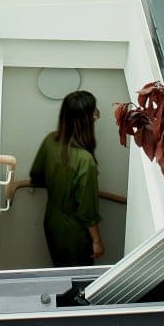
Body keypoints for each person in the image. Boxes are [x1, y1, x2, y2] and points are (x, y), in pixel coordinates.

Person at [29, 90, 104, 267]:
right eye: (94, 111)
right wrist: (97, 241)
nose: (96, 115)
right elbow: (86, 212)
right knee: (78, 279)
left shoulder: (49, 140)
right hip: (74, 232)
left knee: (60, 272)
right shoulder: (85, 161)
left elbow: (36, 176)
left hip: (51, 222)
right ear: (85, 119)